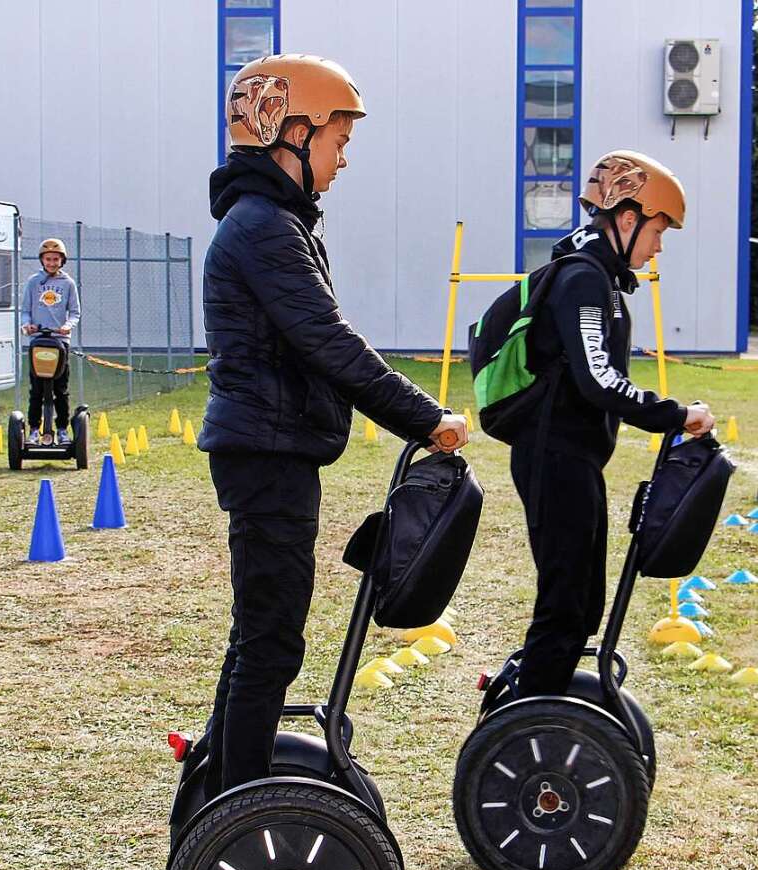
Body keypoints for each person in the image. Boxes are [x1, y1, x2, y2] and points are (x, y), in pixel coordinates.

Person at [198, 54, 468, 799]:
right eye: (338, 140)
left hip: (273, 451)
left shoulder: (272, 221)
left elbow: (321, 343)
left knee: (262, 634)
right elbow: (330, 342)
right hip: (265, 454)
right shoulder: (262, 228)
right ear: (290, 132)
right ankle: (241, 812)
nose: (343, 158)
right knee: (270, 639)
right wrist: (427, 418)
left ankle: (227, 782)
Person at [510, 150, 715, 697]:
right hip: (555, 456)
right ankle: (530, 719)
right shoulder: (582, 279)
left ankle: (545, 709)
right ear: (627, 218)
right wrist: (676, 415)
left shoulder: (598, 277)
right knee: (565, 603)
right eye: (658, 231)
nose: (657, 247)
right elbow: (597, 378)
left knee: (582, 604)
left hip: (575, 456)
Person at [20, 238, 81, 444]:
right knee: (36, 389)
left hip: (60, 341)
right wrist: (27, 325)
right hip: (38, 340)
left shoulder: (68, 283)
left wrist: (67, 326)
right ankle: (34, 430)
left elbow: (75, 313)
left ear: (62, 260)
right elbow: (25, 311)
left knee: (60, 389)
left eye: (55, 259)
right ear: (42, 260)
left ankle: (63, 429)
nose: (52, 263)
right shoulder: (33, 282)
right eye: (48, 259)